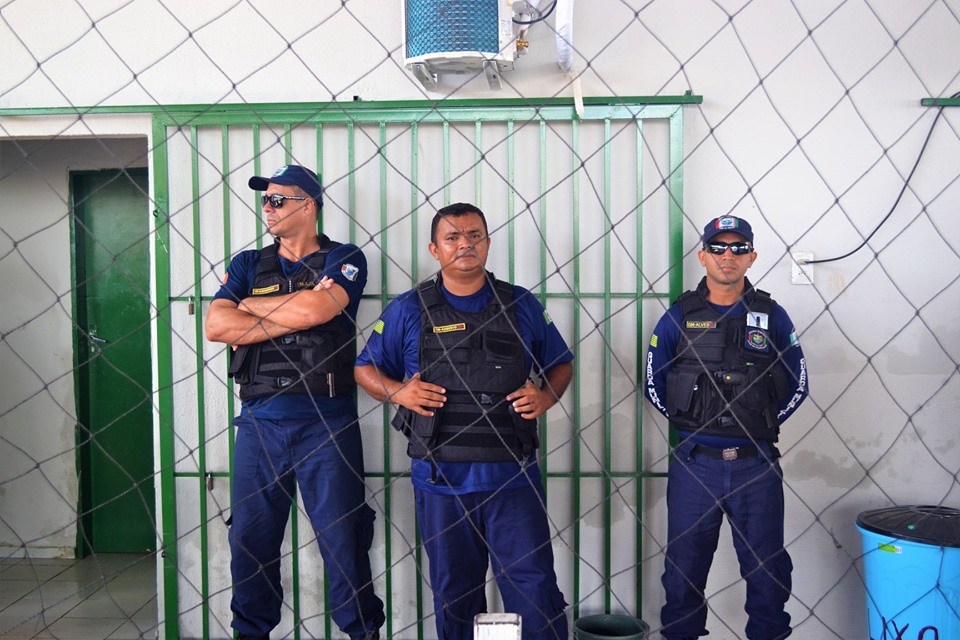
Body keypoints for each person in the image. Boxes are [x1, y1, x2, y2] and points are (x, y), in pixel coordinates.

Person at [354, 202, 572, 640]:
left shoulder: (521, 303)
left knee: (533, 590)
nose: (464, 244)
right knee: (456, 594)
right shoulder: (409, 308)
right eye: (453, 237)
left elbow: (560, 362)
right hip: (441, 480)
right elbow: (364, 369)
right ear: (435, 249)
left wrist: (545, 396)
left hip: (512, 476)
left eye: (474, 235)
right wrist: (400, 391)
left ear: (487, 243)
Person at [205, 165, 384, 640]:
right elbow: (215, 326)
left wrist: (249, 309)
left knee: (344, 544)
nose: (268, 208)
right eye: (265, 201)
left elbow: (320, 310)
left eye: (278, 200)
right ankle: (251, 632)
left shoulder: (344, 257)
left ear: (308, 204)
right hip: (259, 425)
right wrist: (295, 310)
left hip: (326, 424)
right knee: (250, 542)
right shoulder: (247, 264)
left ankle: (362, 632)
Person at [643, 215, 809, 640]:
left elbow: (798, 383)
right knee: (682, 574)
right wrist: (691, 427)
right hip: (695, 466)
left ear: (752, 257)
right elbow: (653, 381)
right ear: (703, 256)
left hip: (756, 467)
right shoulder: (679, 315)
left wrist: (758, 426)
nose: (727, 257)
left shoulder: (772, 315)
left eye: (738, 248)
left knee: (767, 576)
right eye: (718, 248)